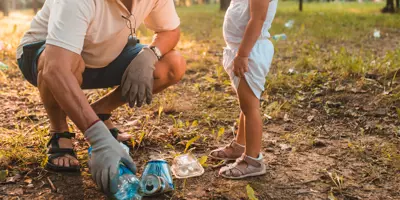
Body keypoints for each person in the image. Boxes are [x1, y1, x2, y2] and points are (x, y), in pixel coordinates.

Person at [16, 0, 186, 195]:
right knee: (54, 62)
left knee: (173, 64)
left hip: (105, 54)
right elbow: (56, 69)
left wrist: (149, 55)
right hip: (48, 54)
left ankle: (100, 111)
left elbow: (170, 30)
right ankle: (59, 132)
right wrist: (99, 140)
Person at [209, 0, 278, 179]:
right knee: (245, 104)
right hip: (241, 50)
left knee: (250, 107)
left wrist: (243, 54)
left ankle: (253, 160)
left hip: (250, 52)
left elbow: (257, 20)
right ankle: (240, 145)